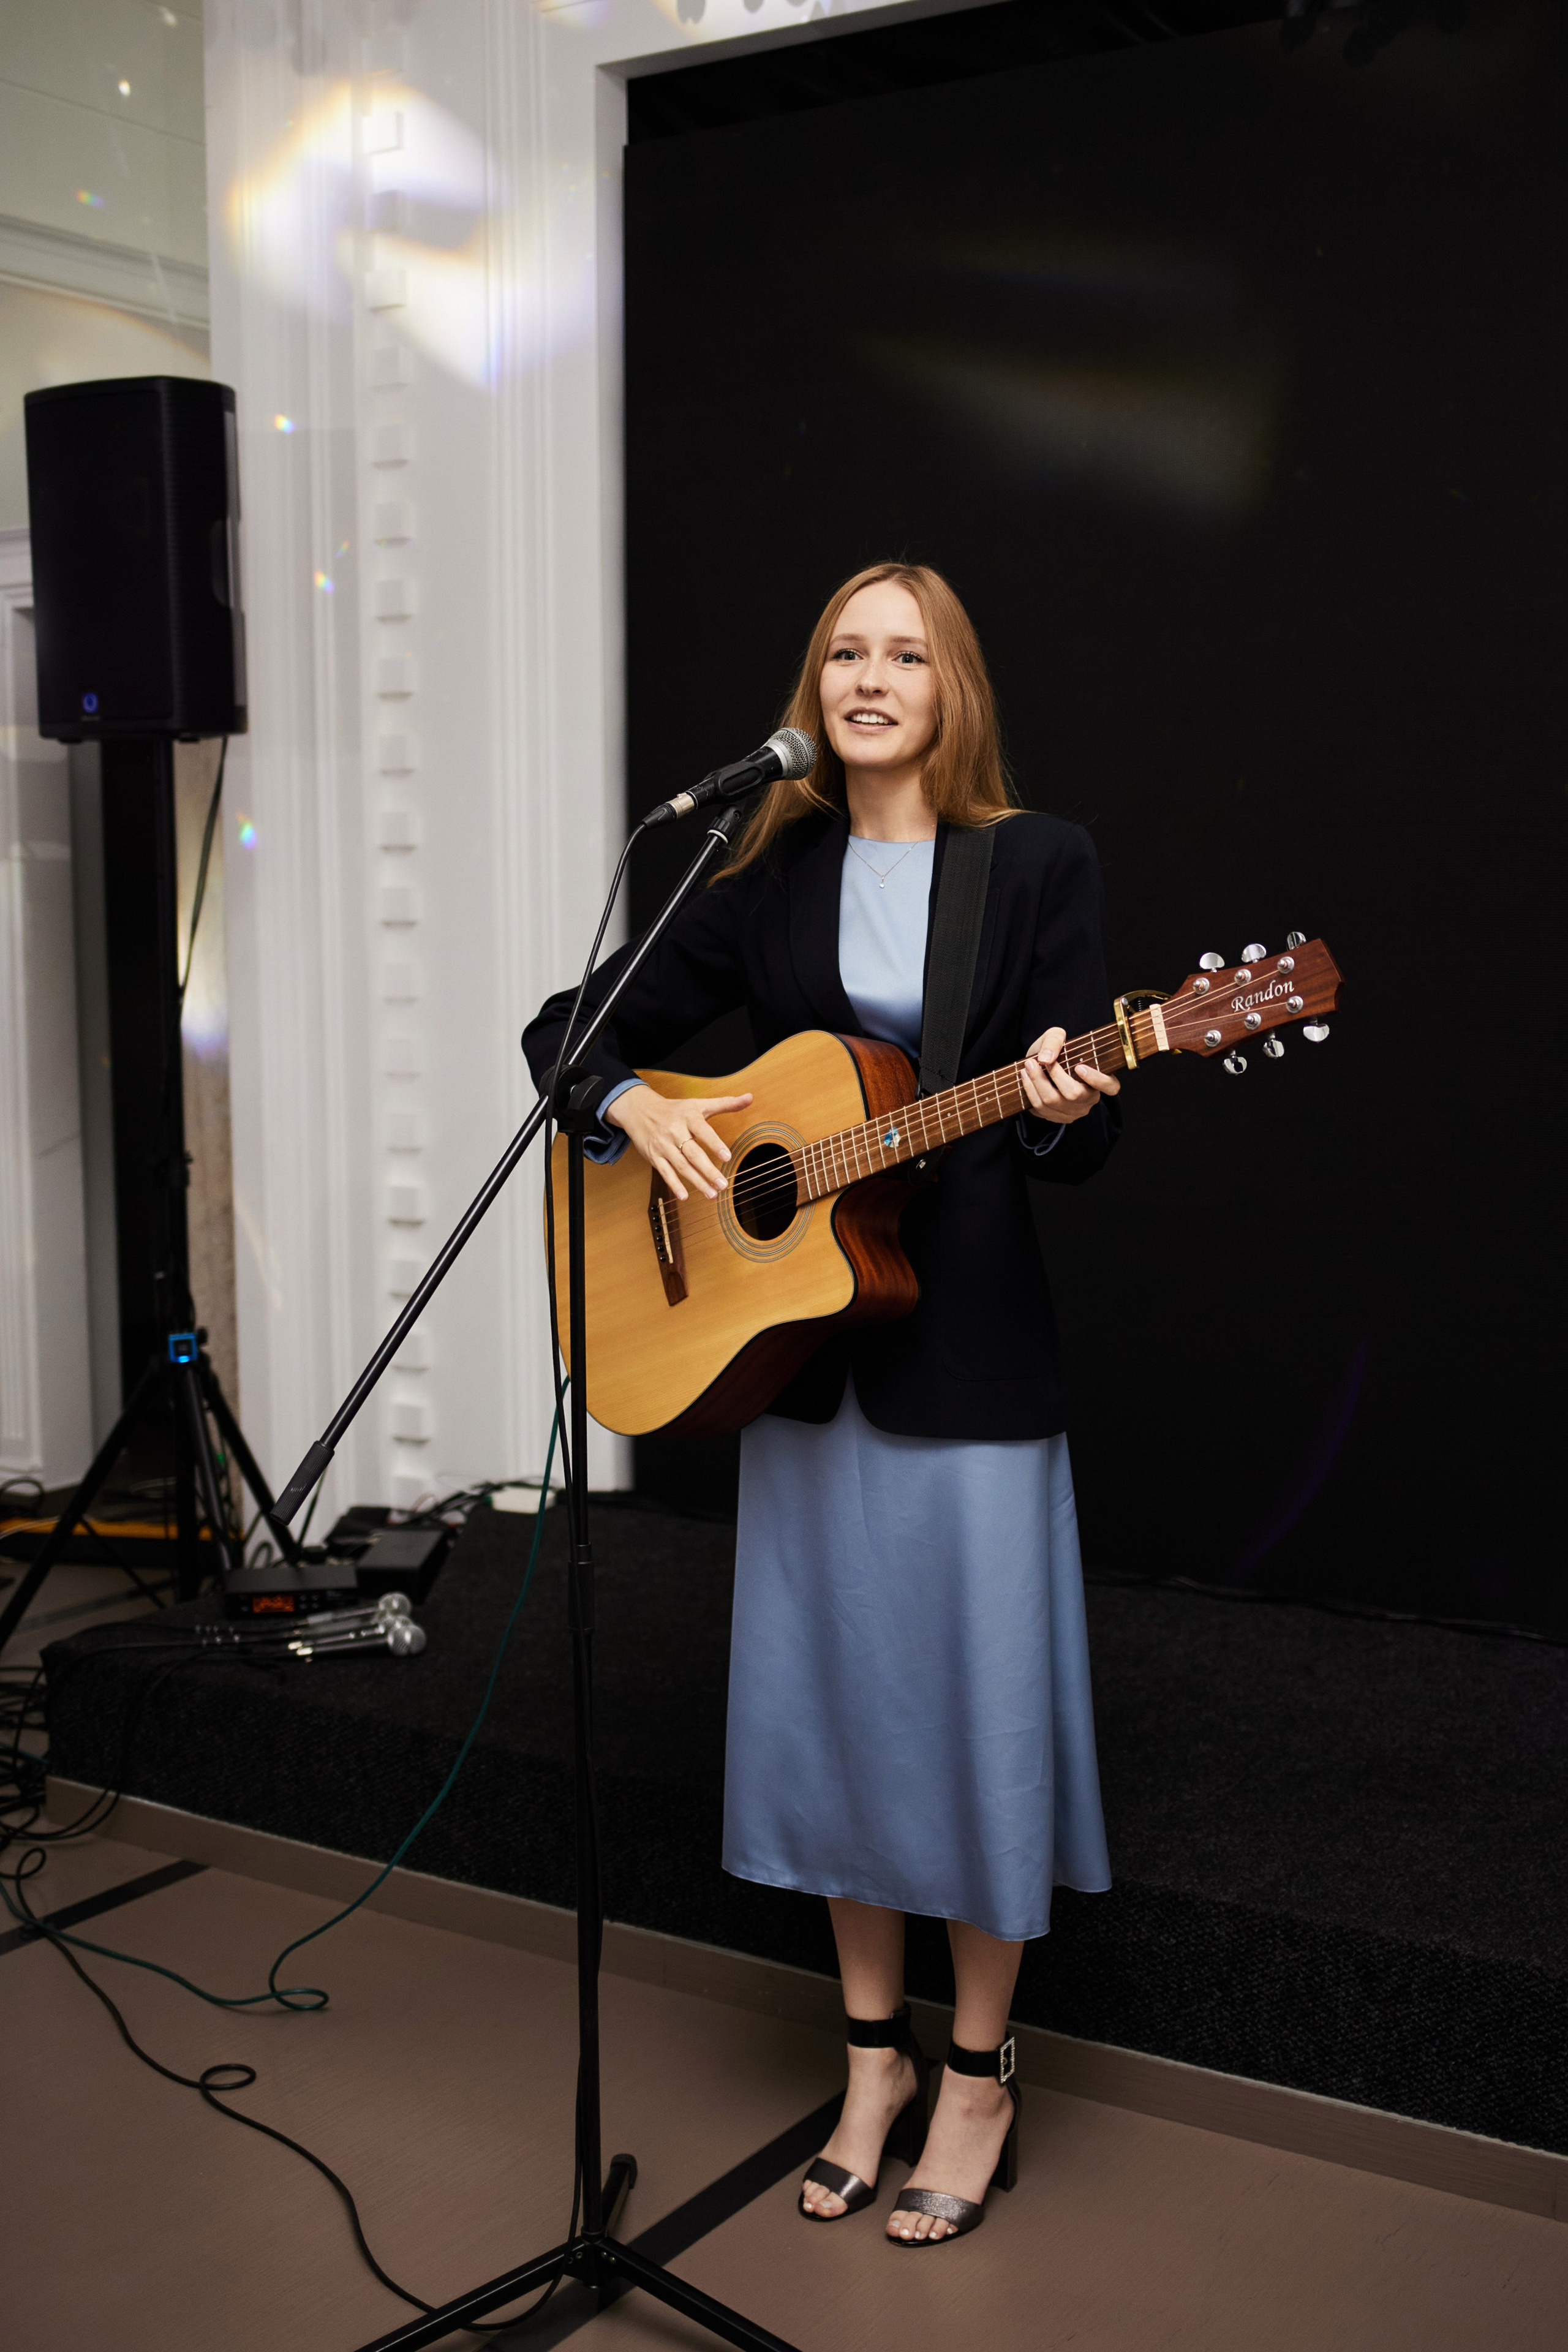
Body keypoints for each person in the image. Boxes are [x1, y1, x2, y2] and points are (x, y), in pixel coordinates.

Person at [523, 562, 1121, 2245]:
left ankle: (980, 2076)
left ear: (951, 689)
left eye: (905, 654)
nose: (870, 677)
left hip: (969, 1356)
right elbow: (570, 1028)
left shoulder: (1038, 864)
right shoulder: (764, 871)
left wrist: (1064, 1098)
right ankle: (872, 2065)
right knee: (846, 1719)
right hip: (798, 1359)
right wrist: (632, 1105)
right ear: (815, 689)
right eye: (845, 652)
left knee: (974, 1722)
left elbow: (1083, 1141)